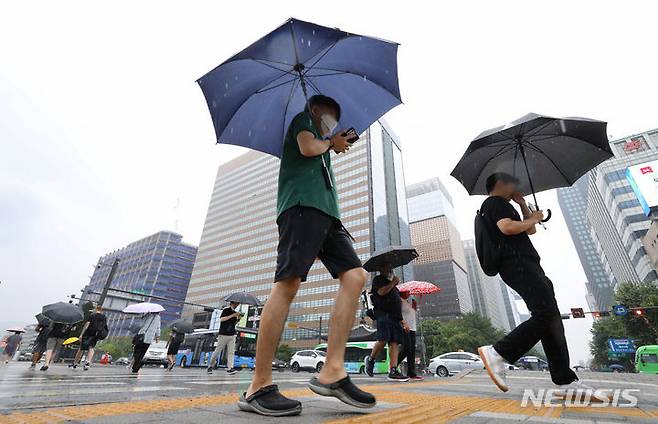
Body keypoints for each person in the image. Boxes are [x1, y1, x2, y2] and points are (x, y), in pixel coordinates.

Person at [238, 95, 374, 417]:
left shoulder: (324, 142)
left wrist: (331, 144)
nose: (334, 125)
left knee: (355, 276)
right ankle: (258, 385)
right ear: (316, 111)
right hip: (300, 208)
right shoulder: (303, 123)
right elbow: (307, 148)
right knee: (288, 284)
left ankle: (333, 370)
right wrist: (330, 142)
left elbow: (318, 151)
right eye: (330, 118)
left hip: (327, 216)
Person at [477, 172, 603, 400]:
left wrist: (524, 206)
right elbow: (507, 228)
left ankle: (565, 381)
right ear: (500, 184)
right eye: (513, 183)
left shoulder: (506, 205)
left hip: (526, 265)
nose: (516, 187)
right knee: (545, 314)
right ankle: (498, 352)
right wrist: (533, 218)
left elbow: (530, 230)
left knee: (552, 320)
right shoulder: (494, 203)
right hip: (518, 264)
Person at [363, 263, 408, 381]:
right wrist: (393, 282)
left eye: (390, 267)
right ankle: (371, 359)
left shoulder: (395, 287)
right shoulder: (378, 280)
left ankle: (393, 370)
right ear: (381, 269)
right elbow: (381, 292)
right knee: (383, 339)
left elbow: (397, 303)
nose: (389, 269)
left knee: (394, 342)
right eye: (386, 267)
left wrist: (402, 320)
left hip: (395, 317)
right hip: (383, 314)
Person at [207, 301, 241, 375]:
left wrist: (238, 318)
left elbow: (233, 324)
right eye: (236, 303)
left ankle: (230, 368)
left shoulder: (235, 312)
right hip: (223, 334)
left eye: (238, 304)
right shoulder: (226, 310)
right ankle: (210, 366)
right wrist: (232, 315)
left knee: (231, 352)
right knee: (217, 351)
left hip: (232, 334)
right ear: (232, 303)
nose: (237, 305)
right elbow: (222, 319)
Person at [71, 305, 108, 371]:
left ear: (96, 309)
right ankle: (88, 362)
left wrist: (81, 334)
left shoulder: (92, 315)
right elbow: (104, 326)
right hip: (97, 334)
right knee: (91, 347)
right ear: (101, 310)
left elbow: (87, 325)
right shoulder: (104, 317)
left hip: (88, 333)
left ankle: (75, 363)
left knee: (81, 348)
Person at [398, 290, 422, 380]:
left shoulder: (409, 301)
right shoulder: (399, 300)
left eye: (409, 292)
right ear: (402, 292)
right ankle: (393, 366)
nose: (409, 293)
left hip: (413, 328)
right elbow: (398, 313)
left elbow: (412, 314)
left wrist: (416, 304)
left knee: (412, 351)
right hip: (405, 328)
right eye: (407, 292)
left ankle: (411, 373)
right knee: (407, 349)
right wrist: (403, 323)